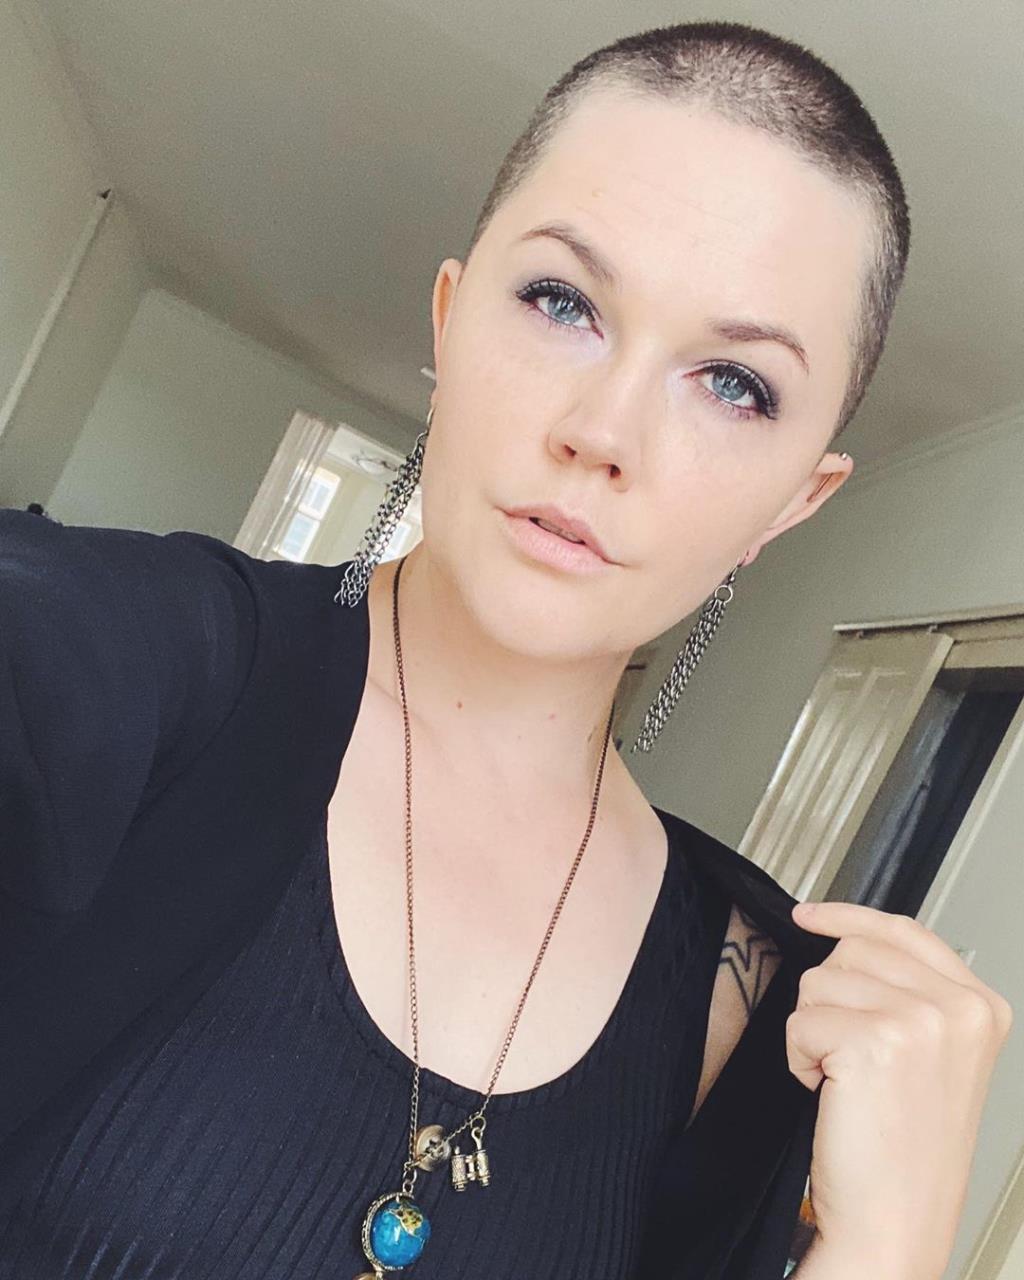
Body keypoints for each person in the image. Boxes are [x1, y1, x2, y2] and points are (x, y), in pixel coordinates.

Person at [0, 19, 1012, 1280]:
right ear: (449, 322)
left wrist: (892, 1244)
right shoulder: (115, 653)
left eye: (733, 383)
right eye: (561, 302)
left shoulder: (750, 1000)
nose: (604, 431)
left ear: (794, 501)